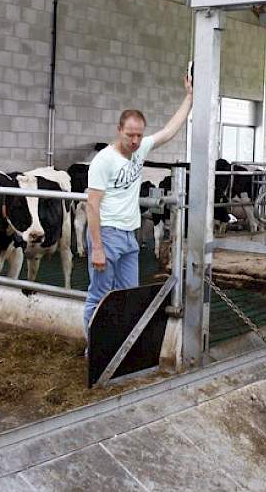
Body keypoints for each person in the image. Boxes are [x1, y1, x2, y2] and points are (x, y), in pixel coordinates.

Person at [83, 75, 192, 343]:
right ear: (119, 130)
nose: (134, 140)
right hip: (106, 235)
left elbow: (169, 131)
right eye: (129, 134)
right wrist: (96, 247)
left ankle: (118, 345)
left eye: (139, 135)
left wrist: (190, 97)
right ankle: (94, 347)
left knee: (128, 292)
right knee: (99, 294)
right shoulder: (103, 161)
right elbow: (91, 205)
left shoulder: (141, 148)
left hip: (129, 236)